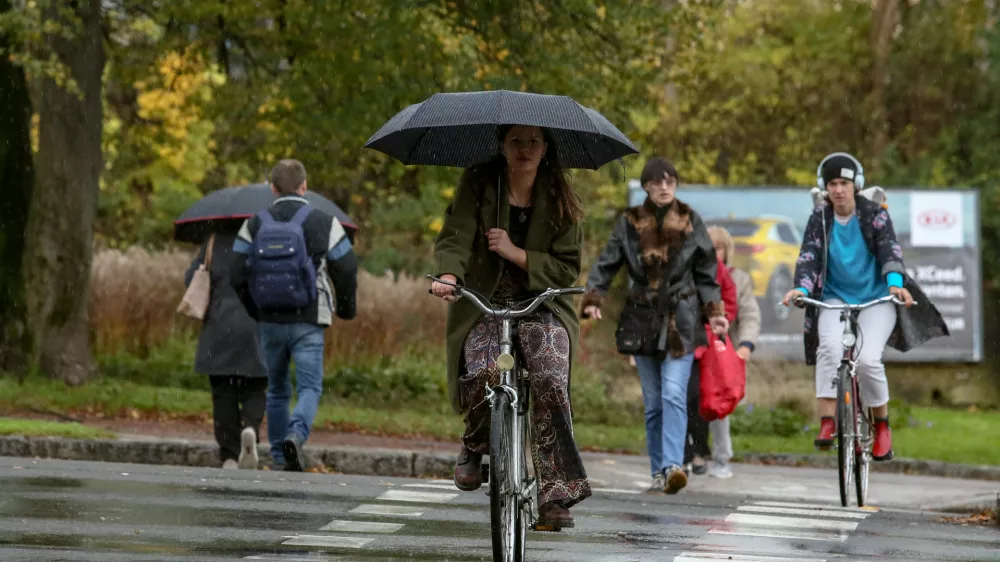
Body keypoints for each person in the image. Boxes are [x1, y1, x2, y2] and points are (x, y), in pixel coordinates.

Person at [430, 124, 590, 530]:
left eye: (534, 141)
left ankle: (555, 495)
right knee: (484, 372)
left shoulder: (559, 196)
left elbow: (567, 267)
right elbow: (456, 234)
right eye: (516, 140)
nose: (525, 148)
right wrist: (448, 275)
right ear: (502, 144)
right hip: (486, 303)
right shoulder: (480, 181)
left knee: (550, 379)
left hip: (542, 304)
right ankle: (475, 443)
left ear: (545, 147)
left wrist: (517, 253)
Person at [781, 152, 948, 461]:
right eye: (832, 184)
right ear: (825, 188)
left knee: (869, 359)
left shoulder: (875, 215)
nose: (838, 190)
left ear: (855, 185)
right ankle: (828, 421)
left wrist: (895, 284)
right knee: (829, 348)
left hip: (875, 298)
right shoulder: (819, 218)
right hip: (834, 297)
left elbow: (890, 251)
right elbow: (809, 257)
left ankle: (882, 426)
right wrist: (801, 288)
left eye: (843, 183)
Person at [581, 157, 729, 495]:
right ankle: (659, 472)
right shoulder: (630, 221)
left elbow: (707, 271)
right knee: (654, 402)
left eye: (670, 181)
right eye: (657, 182)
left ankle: (674, 466)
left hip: (682, 317)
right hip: (642, 317)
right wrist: (593, 299)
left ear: (675, 185)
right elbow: (608, 262)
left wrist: (714, 311)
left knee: (674, 393)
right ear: (646, 186)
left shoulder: (690, 219)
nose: (664, 187)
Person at [231, 159, 358, 471]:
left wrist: (255, 308)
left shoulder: (254, 223)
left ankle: (278, 455)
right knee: (309, 387)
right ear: (305, 186)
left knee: (276, 390)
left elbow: (235, 271)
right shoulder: (325, 222)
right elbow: (346, 267)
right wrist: (346, 308)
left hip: (270, 319)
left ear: (272, 189)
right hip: (309, 319)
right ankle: (296, 434)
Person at [185, 232, 267, 470]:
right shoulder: (262, 238)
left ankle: (229, 454)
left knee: (223, 390)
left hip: (220, 323)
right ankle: (249, 427)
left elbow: (191, 278)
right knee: (256, 384)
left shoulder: (214, 241)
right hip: (255, 322)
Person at [702, 225, 761, 479]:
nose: (714, 253)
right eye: (709, 247)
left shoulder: (739, 279)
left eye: (718, 248)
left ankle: (721, 457)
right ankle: (689, 456)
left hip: (723, 352)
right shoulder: (691, 275)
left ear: (727, 251)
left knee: (718, 405)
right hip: (696, 348)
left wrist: (745, 345)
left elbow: (750, 315)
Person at [683, 252, 738, 476]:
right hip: (676, 338)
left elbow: (729, 299)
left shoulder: (714, 265)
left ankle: (698, 451)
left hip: (704, 344)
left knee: (698, 398)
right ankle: (682, 454)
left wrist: (718, 321)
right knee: (676, 398)